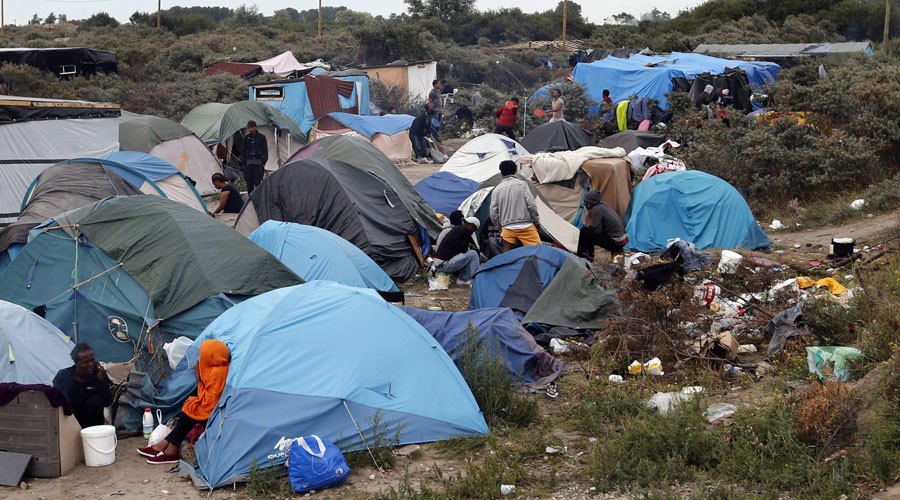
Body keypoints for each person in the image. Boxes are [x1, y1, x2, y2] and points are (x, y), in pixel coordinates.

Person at [137, 340, 230, 465]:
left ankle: (169, 448)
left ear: (211, 355)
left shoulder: (218, 373)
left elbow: (209, 402)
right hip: (214, 410)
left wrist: (198, 378)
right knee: (191, 407)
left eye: (204, 354)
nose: (201, 358)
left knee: (191, 410)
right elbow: (205, 395)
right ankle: (167, 446)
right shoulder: (214, 368)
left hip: (219, 415)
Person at [53, 343, 113, 429]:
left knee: (94, 400)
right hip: (70, 420)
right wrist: (76, 383)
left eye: (92, 360)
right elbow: (57, 401)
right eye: (86, 362)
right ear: (76, 362)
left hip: (92, 425)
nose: (91, 364)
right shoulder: (63, 376)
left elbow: (108, 401)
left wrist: (100, 380)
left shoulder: (99, 375)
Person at [490, 160, 541, 252]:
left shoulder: (496, 190)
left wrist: (499, 228)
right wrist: (536, 221)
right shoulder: (522, 184)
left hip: (507, 228)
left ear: (501, 172)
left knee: (508, 256)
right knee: (537, 252)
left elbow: (493, 212)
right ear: (515, 171)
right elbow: (531, 205)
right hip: (526, 225)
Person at [576, 190, 628, 262]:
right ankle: (589, 255)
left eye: (585, 202)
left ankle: (582, 255)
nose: (584, 204)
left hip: (615, 243)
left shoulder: (596, 210)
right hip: (622, 240)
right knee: (589, 231)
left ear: (590, 202)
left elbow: (598, 230)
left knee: (584, 231)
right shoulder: (603, 205)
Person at [433, 216, 481, 285]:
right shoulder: (466, 231)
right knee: (473, 253)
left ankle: (463, 279)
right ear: (472, 226)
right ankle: (475, 281)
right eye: (474, 230)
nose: (472, 232)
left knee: (469, 254)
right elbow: (464, 250)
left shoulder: (458, 229)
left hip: (439, 264)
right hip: (444, 265)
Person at [241, 120, 268, 194]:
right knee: (249, 183)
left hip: (258, 162)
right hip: (249, 163)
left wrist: (263, 161)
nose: (250, 129)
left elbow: (265, 150)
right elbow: (243, 150)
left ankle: (259, 198)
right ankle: (251, 199)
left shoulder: (262, 137)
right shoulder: (246, 138)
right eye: (249, 128)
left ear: (255, 127)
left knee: (257, 182)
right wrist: (243, 162)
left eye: (252, 127)